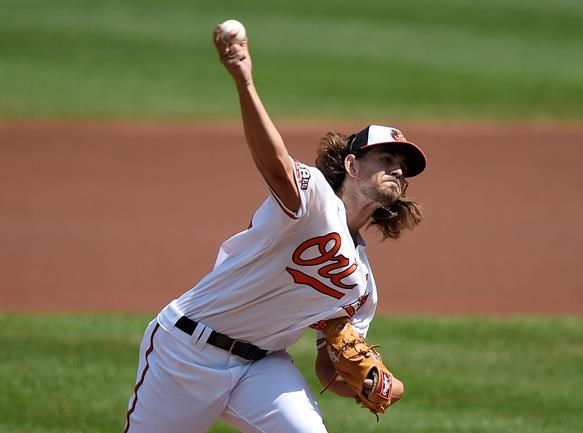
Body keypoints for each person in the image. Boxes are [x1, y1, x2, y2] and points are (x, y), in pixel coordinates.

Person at [123, 23, 427, 433]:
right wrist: (245, 82)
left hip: (262, 367)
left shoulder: (361, 287)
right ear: (352, 166)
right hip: (185, 351)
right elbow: (276, 164)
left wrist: (375, 383)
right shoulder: (315, 198)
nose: (396, 170)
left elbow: (329, 367)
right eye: (386, 159)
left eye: (402, 168)